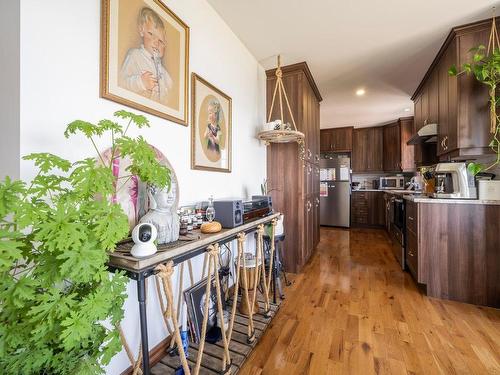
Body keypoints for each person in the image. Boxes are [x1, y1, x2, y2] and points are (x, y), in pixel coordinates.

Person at [119, 7, 173, 104]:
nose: (155, 42)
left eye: (160, 40)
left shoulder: (163, 71)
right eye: (151, 34)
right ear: (141, 30)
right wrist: (141, 82)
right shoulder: (134, 55)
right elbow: (121, 82)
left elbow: (171, 90)